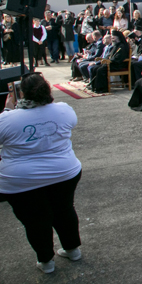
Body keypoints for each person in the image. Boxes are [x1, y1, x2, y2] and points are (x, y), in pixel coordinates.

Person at [0, 73, 83, 273]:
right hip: (64, 172)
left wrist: (8, 109)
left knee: (35, 220)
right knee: (64, 210)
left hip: (22, 179)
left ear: (20, 94)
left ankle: (46, 261)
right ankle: (73, 250)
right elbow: (69, 125)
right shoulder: (64, 110)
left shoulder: (7, 118)